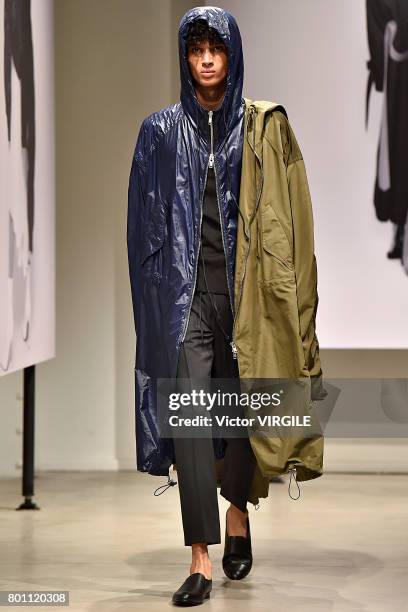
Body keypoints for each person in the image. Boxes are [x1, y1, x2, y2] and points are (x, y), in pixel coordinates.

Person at [127, 5, 326, 606]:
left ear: (232, 54)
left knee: (241, 415)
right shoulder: (160, 132)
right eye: (196, 50)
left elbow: (296, 219)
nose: (207, 59)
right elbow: (140, 230)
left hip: (248, 297)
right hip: (186, 298)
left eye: (216, 49)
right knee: (191, 416)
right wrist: (153, 303)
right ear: (185, 58)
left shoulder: (262, 127)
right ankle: (199, 559)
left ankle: (237, 510)